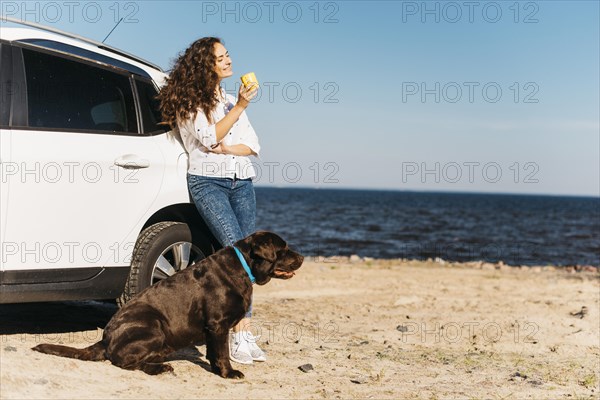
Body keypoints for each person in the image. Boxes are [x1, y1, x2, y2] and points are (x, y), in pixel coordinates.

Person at [158, 37, 263, 365]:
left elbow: (253, 144)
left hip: (241, 182)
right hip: (209, 183)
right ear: (206, 65)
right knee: (238, 255)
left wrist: (230, 147)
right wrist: (242, 109)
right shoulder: (191, 102)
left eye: (229, 55)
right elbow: (207, 136)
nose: (230, 61)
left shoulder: (229, 100)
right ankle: (238, 334)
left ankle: (243, 333)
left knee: (250, 259)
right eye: (222, 57)